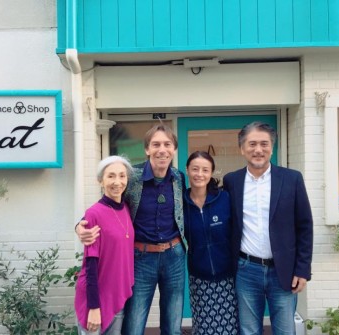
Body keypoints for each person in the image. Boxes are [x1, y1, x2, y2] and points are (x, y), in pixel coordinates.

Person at [76, 124, 187, 335]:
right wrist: (79, 226)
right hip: (141, 258)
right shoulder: (131, 177)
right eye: (156, 144)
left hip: (175, 257)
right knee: (134, 325)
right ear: (147, 149)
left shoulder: (178, 178)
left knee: (173, 326)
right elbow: (107, 205)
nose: (162, 149)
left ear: (173, 149)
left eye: (167, 144)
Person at [223, 122, 313, 335]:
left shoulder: (292, 179)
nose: (258, 149)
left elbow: (305, 226)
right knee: (248, 330)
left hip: (283, 271)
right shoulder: (232, 181)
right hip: (246, 270)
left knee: (284, 330)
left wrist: (302, 270)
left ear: (272, 147)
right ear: (242, 149)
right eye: (252, 144)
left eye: (264, 144)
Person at [75, 155, 135, 335]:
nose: (117, 181)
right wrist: (94, 307)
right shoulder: (94, 213)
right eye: (111, 176)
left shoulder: (126, 208)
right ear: (100, 180)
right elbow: (90, 265)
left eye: (122, 176)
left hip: (116, 295)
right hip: (96, 299)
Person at [183, 151, 239, 335]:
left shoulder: (224, 199)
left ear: (211, 172)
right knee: (204, 328)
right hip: (199, 279)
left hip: (229, 278)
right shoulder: (180, 203)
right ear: (187, 170)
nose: (200, 174)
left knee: (232, 327)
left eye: (205, 170)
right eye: (195, 169)